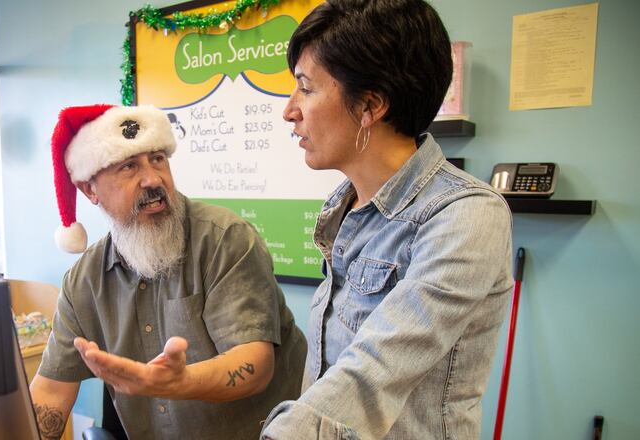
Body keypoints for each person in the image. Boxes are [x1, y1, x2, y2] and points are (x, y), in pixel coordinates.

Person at [261, 0, 513, 439]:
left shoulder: (467, 215)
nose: (290, 110)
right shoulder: (346, 207)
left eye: (306, 87)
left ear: (371, 105)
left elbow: (374, 369)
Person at [30, 104, 307, 440]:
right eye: (129, 166)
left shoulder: (224, 238)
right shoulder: (83, 281)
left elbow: (254, 365)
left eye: (158, 159)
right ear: (90, 190)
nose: (153, 179)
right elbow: (52, 392)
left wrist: (180, 382)